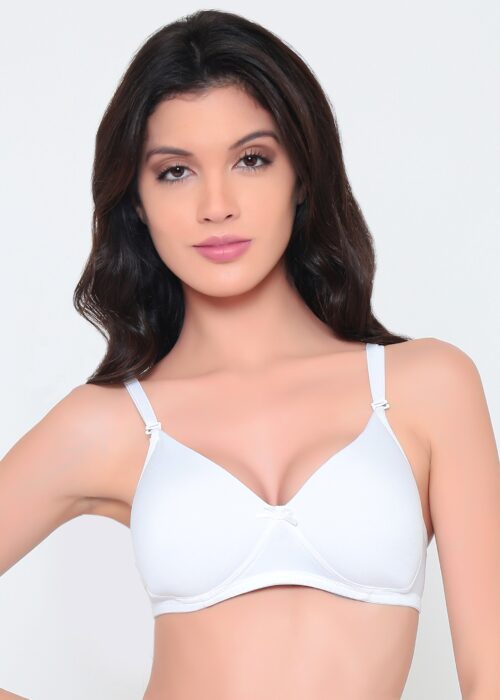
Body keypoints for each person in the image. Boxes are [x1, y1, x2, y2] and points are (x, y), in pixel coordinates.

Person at [1, 9, 499, 700]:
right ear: (137, 202)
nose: (217, 205)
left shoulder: (428, 386)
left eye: (251, 159)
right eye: (175, 171)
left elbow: (490, 673)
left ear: (302, 175)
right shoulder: (107, 422)